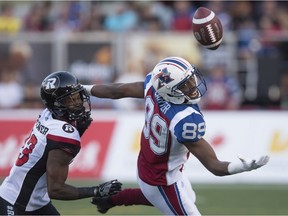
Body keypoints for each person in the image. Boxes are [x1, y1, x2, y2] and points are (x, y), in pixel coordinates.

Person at [83, 56, 269, 215]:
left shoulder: (155, 87)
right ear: (170, 90)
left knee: (186, 197)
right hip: (163, 179)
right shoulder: (184, 119)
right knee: (170, 200)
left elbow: (117, 91)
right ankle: (112, 200)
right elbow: (215, 166)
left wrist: (83, 89)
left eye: (191, 79)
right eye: (185, 84)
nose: (193, 85)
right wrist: (241, 167)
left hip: (150, 165)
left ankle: (111, 199)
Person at [0, 71, 122, 215]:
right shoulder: (63, 134)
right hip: (17, 204)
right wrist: (96, 190)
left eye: (77, 97)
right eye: (70, 100)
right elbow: (56, 189)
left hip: (35, 201)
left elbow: (51, 146)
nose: (78, 103)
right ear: (56, 104)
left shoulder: (48, 114)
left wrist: (78, 129)